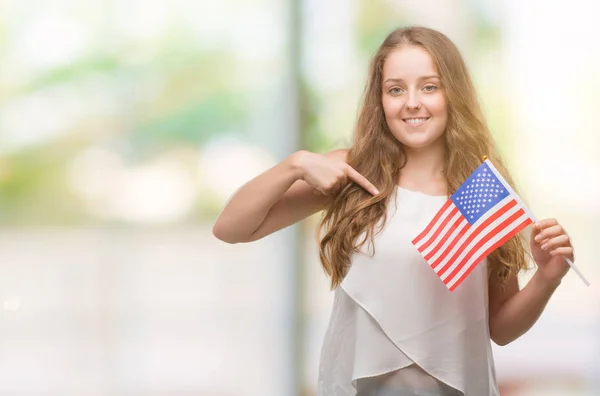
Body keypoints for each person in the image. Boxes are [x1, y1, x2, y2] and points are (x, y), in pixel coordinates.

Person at [212, 26, 575, 396]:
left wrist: (547, 278)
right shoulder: (357, 174)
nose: (412, 102)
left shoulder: (479, 193)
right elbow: (231, 227)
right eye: (396, 89)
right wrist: (295, 164)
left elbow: (500, 329)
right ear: (380, 99)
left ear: (453, 94)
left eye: (429, 87)